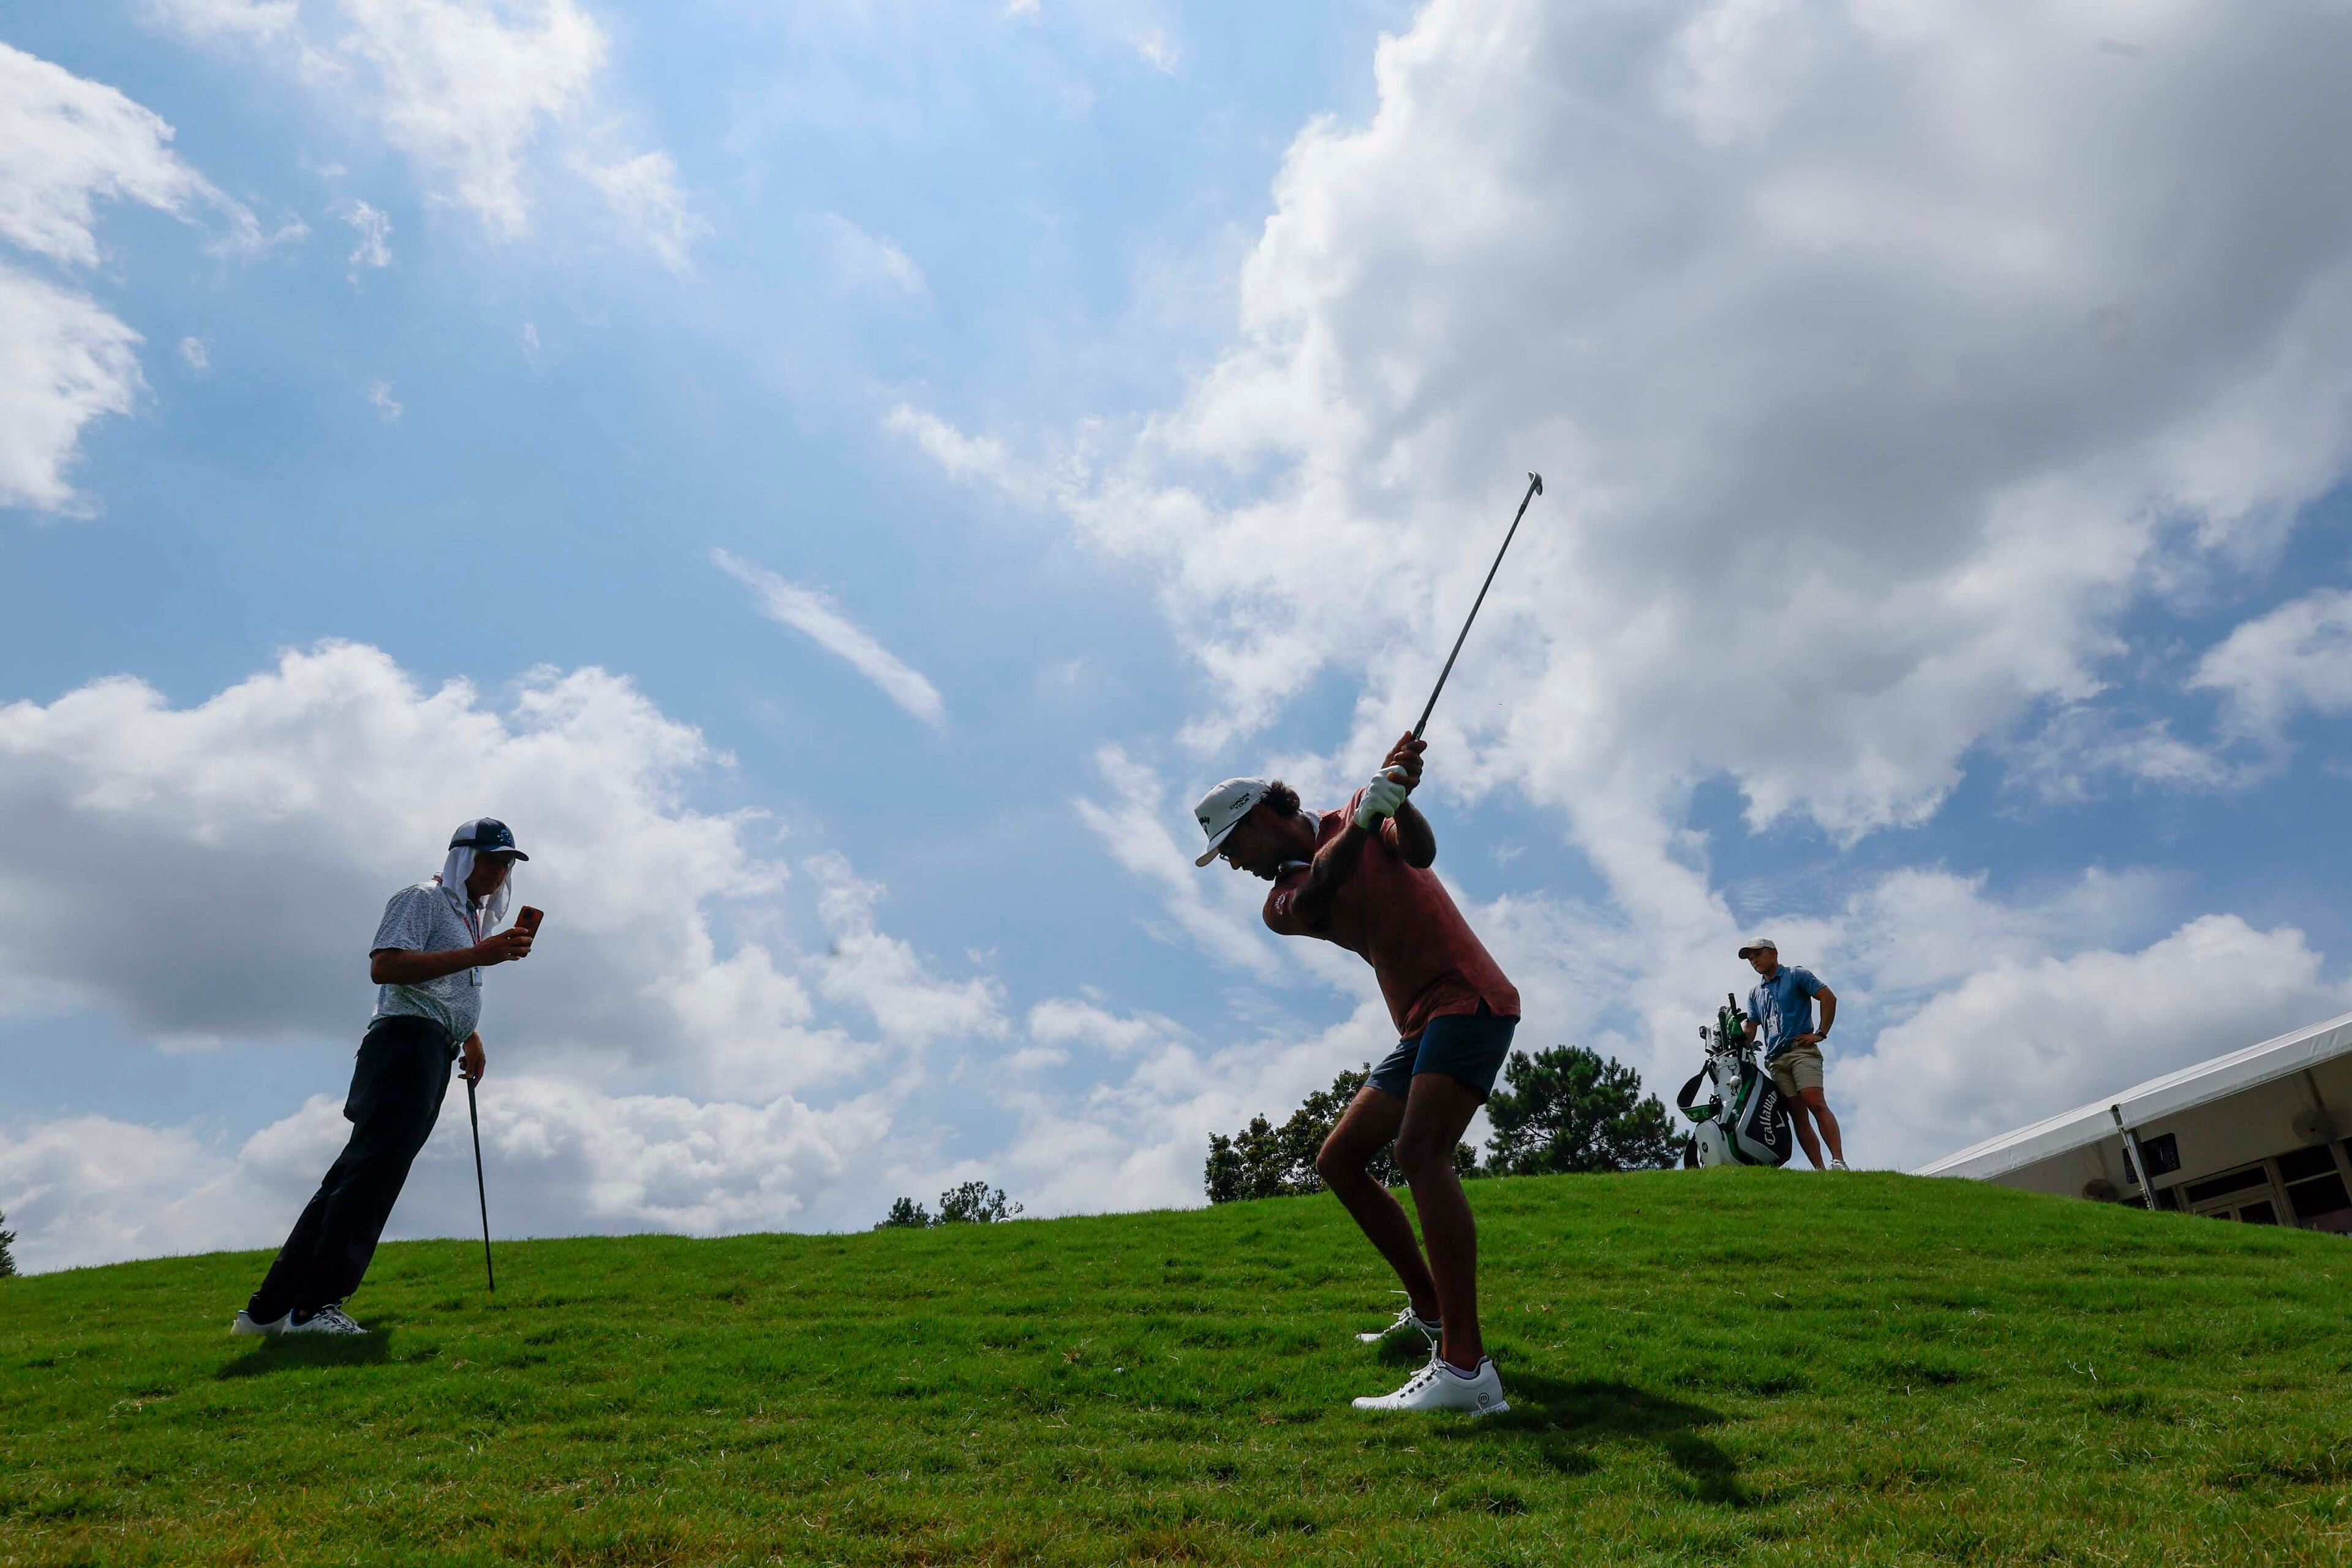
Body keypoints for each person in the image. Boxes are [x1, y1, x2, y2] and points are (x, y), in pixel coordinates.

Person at [1193, 734, 1518, 1416]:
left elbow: (1421, 852)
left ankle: (1466, 1366)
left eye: (1232, 848)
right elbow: (1326, 882)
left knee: (1421, 1152)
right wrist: (1371, 813)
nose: (1234, 865)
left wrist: (1400, 795)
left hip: (1468, 998)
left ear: (1260, 816)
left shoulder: (1359, 813)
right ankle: (1432, 1313)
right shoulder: (1281, 900)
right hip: (1421, 1024)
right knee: (1339, 1159)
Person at [232, 820, 535, 1337]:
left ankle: (267, 1313)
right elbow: (387, 967)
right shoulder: (422, 899)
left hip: (427, 1046)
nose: (500, 870)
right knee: (371, 1180)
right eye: (490, 859)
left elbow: (443, 986)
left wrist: (470, 1033)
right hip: (405, 1047)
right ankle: (315, 1308)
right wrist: (480, 956)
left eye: (507, 862)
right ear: (462, 858)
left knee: (354, 1176)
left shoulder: (468, 918)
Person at [1736, 937, 1847, 1170]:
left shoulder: (1796, 975)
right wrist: (1736, 1038)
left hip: (1801, 1051)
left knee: (1814, 1102)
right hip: (1775, 1061)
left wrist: (1820, 1033)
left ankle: (1838, 1161)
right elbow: (1751, 1028)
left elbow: (1828, 998)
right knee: (1798, 1116)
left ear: (1774, 953)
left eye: (1758, 954)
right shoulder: (1755, 993)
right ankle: (1820, 1170)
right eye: (1750, 958)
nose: (1754, 960)